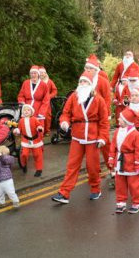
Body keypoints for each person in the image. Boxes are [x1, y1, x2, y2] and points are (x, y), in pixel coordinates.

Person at [51, 71, 109, 204]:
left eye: (86, 82)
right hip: (77, 136)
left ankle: (95, 189)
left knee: (92, 166)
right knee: (72, 166)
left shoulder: (98, 99)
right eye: (81, 82)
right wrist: (64, 122)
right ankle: (64, 193)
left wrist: (102, 138)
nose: (83, 84)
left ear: (91, 84)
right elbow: (65, 113)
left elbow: (104, 121)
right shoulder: (73, 97)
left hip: (93, 138)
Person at [108, 108, 139, 214]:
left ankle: (137, 204)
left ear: (127, 121)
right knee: (120, 183)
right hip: (120, 162)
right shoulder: (117, 131)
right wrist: (111, 158)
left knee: (134, 185)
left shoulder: (136, 134)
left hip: (132, 163)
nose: (118, 120)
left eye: (121, 118)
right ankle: (121, 202)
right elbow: (113, 146)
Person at [13, 104, 44, 176]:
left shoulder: (35, 119)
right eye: (24, 110)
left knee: (37, 155)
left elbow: (39, 126)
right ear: (22, 112)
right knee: (24, 154)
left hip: (36, 140)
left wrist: (39, 128)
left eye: (28, 110)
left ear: (31, 112)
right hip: (26, 141)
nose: (26, 111)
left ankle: (39, 170)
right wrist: (16, 130)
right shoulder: (21, 120)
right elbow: (19, 129)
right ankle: (24, 165)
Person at [39, 66, 57, 135]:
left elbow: (54, 90)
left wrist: (49, 96)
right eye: (40, 73)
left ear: (45, 73)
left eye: (43, 73)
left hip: (46, 102)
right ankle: (39, 130)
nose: (42, 74)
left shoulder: (49, 81)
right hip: (38, 102)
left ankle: (47, 131)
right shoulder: (36, 81)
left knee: (47, 116)